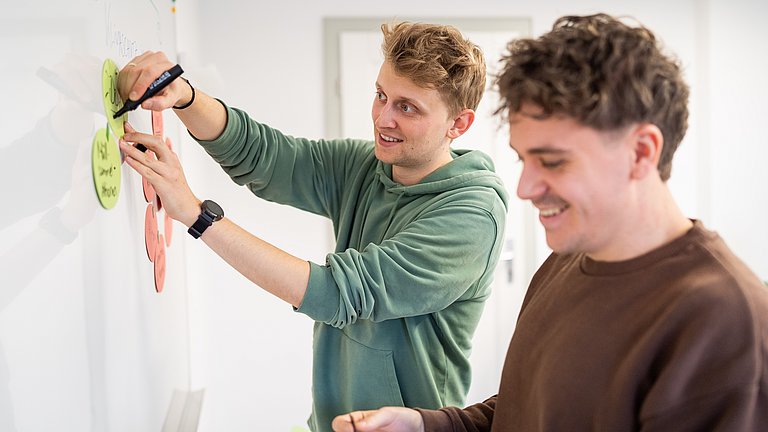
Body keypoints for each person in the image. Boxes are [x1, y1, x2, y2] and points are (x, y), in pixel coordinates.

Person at [331, 13, 768, 432]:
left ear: (640, 152)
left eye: (553, 162)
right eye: (524, 159)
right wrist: (433, 425)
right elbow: (534, 409)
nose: (524, 188)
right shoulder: (567, 260)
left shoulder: (725, 322)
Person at [116, 22, 509, 431]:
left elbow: (338, 294)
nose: (383, 119)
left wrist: (197, 215)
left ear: (458, 124)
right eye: (381, 96)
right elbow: (266, 157)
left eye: (407, 107)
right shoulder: (367, 167)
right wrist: (185, 96)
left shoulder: (472, 216)